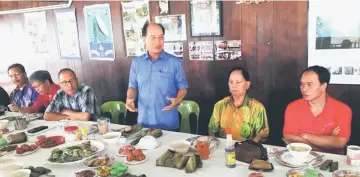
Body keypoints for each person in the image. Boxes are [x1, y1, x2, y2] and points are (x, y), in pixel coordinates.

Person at [126, 22, 188, 130]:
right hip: (143, 123)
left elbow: (183, 87)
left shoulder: (174, 62)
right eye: (153, 37)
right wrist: (130, 99)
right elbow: (132, 87)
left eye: (161, 37)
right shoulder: (137, 63)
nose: (158, 42)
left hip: (168, 124)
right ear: (144, 39)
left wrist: (178, 99)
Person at [283, 65, 352, 154]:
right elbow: (289, 138)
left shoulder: (342, 109)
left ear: (323, 86)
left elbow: (339, 142)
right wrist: (326, 140)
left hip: (332, 161)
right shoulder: (293, 107)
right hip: (301, 158)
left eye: (309, 84)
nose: (304, 89)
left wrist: (306, 136)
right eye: (302, 84)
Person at [208, 67, 269, 143]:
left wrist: (249, 146)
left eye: (238, 82)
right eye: (231, 82)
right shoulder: (220, 105)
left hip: (247, 150)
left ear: (247, 85)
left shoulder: (257, 107)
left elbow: (262, 135)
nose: (234, 86)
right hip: (224, 148)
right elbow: (212, 131)